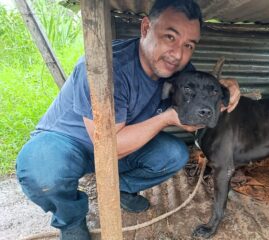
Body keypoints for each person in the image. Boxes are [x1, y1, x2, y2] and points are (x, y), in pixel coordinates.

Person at [16, 0, 240, 239]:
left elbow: (200, 88)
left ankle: (121, 188)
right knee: (42, 172)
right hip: (69, 142)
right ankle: (70, 220)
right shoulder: (105, 68)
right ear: (145, 28)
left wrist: (225, 86)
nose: (178, 54)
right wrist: (166, 118)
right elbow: (107, 148)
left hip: (123, 140)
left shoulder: (179, 71)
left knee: (174, 155)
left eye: (189, 45)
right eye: (170, 38)